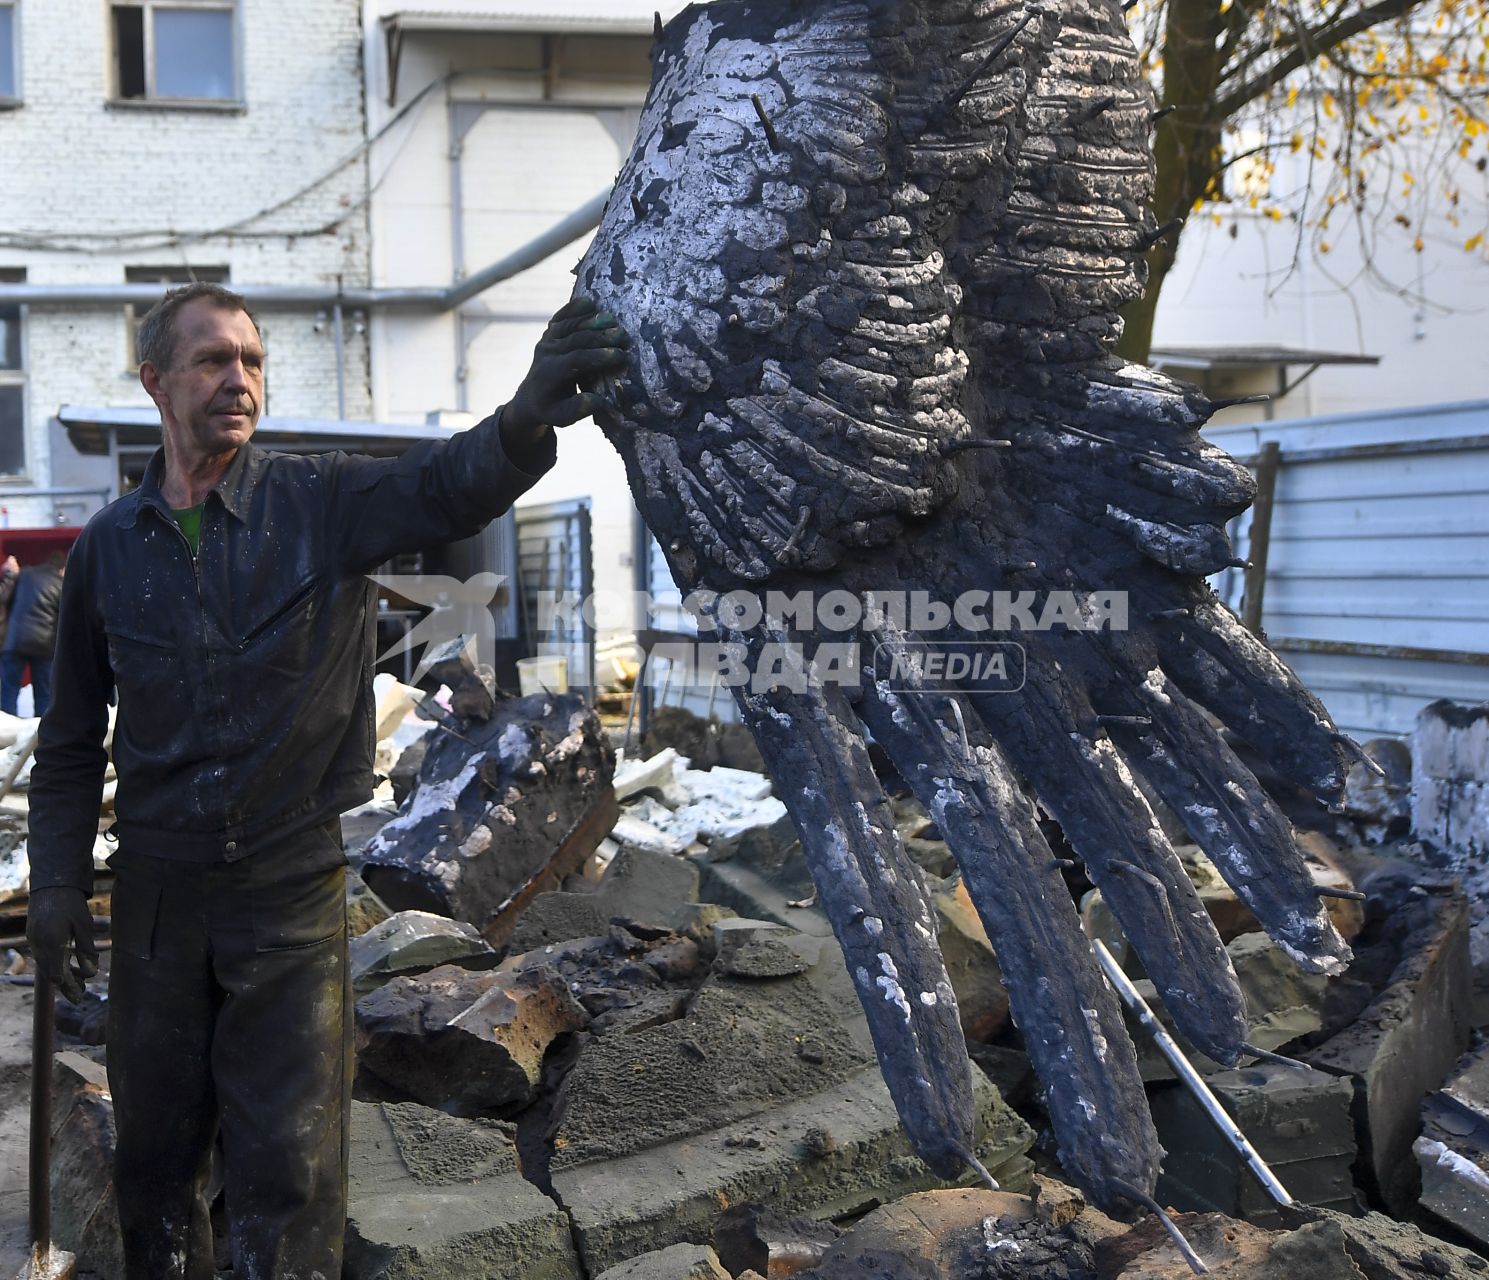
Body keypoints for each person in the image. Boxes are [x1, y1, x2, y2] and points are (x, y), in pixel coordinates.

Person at [24, 281, 629, 1279]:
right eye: (214, 359)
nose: (239, 379)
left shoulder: (322, 502)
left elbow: (445, 485)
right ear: (154, 381)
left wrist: (524, 415)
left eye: (253, 362)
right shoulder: (105, 551)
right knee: (154, 1176)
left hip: (288, 898)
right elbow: (72, 738)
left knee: (289, 1178)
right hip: (158, 906)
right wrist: (52, 882)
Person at [1, 550, 65, 716]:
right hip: (44, 645)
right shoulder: (60, 583)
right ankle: (42, 737)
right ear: (62, 569)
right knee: (44, 694)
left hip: (14, 641)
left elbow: (6, 600)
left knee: (9, 691)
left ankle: (4, 736)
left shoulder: (24, 575)